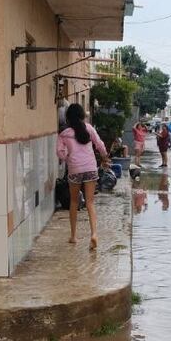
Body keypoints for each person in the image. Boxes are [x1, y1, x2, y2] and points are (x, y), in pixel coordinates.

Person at [56, 103, 110, 251]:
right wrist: (105, 157)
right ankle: (94, 234)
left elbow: (60, 153)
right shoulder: (89, 128)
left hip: (75, 169)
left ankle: (73, 236)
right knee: (90, 202)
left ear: (68, 117)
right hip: (90, 168)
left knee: (74, 202)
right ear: (81, 115)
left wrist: (68, 158)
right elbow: (99, 144)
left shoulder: (64, 133)